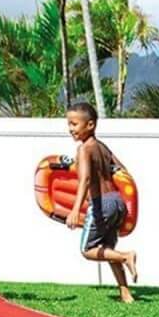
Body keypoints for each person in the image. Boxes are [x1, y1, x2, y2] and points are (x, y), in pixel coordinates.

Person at [65, 101, 138, 303]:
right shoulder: (102, 148)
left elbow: (86, 180)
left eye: (74, 124)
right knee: (107, 249)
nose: (70, 129)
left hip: (100, 204)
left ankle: (126, 256)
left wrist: (75, 210)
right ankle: (125, 293)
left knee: (87, 250)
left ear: (90, 125)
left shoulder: (84, 149)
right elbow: (122, 170)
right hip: (117, 202)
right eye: (69, 124)